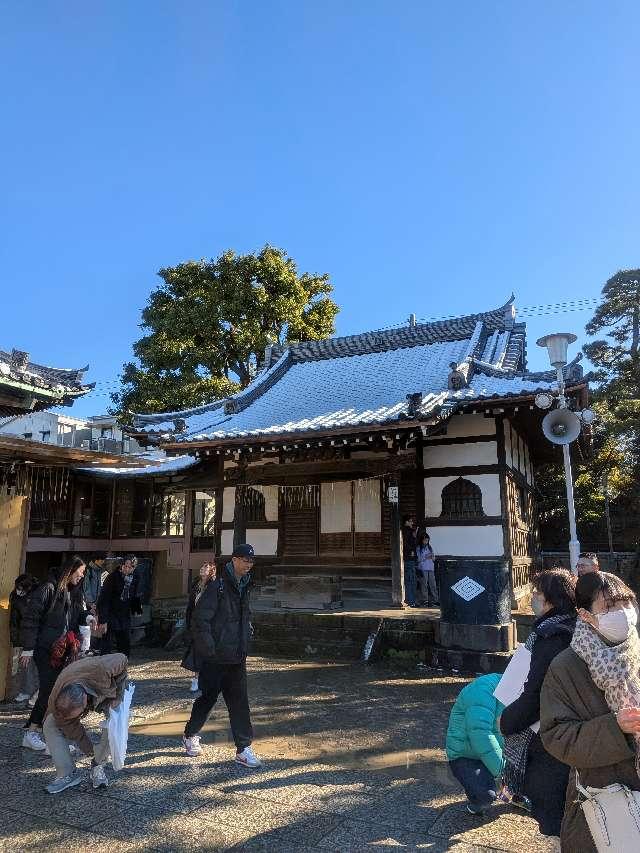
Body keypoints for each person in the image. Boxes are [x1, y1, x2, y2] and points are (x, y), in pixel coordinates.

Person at [540, 571, 640, 852]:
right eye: (609, 607)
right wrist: (615, 728)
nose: (624, 613)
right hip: (602, 802)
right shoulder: (566, 667)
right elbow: (556, 735)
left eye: (627, 603)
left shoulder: (638, 649)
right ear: (585, 615)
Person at [499, 568, 577, 839]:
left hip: (550, 734)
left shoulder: (552, 635)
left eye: (537, 592)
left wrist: (508, 721)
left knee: (552, 810)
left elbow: (536, 693)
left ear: (551, 600)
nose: (532, 597)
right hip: (573, 727)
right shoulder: (575, 626)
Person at [182, 543, 261, 768]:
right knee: (207, 699)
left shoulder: (245, 584)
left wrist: (247, 636)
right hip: (215, 656)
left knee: (239, 703)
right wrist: (210, 648)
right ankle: (190, 734)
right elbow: (201, 619)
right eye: (245, 560)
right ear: (234, 559)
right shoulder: (218, 583)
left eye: (251, 561)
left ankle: (243, 748)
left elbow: (245, 617)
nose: (249, 564)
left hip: (236, 654)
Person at [19, 557, 87, 751]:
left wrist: (88, 617)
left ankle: (50, 736)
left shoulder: (71, 591)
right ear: (71, 570)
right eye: (80, 571)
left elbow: (75, 615)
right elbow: (31, 619)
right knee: (49, 692)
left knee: (56, 693)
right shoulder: (48, 588)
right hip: (45, 649)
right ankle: (33, 733)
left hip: (61, 650)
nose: (82, 576)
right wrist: (28, 649)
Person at [43, 653, 129, 794]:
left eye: (77, 714)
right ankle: (67, 773)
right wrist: (89, 749)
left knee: (114, 724)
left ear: (84, 700)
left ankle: (97, 766)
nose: (73, 719)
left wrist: (118, 695)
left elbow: (123, 658)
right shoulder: (56, 702)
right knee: (49, 724)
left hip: (107, 692)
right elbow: (74, 730)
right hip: (81, 690)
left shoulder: (103, 668)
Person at [446, 673, 505, 815]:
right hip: (465, 755)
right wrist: (504, 773)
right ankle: (477, 800)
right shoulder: (484, 689)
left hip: (498, 752)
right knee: (485, 796)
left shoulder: (524, 692)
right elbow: (480, 733)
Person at [97, 554, 142, 657]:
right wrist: (103, 620)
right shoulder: (113, 577)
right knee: (107, 644)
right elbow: (104, 598)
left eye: (130, 567)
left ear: (134, 568)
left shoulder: (136, 577)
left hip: (124, 613)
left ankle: (123, 665)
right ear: (122, 565)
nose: (126, 569)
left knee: (125, 643)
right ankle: (105, 667)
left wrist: (136, 609)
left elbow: (136, 594)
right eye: (125, 566)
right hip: (111, 612)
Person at [181, 561, 217, 692]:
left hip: (208, 625)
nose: (202, 569)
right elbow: (191, 606)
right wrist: (189, 622)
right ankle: (196, 679)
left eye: (206, 567)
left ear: (212, 570)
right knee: (196, 652)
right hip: (195, 624)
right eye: (202, 567)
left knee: (207, 652)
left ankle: (207, 679)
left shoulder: (213, 586)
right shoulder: (196, 585)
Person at [9, 574, 40, 704]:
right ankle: (26, 691)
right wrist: (15, 640)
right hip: (22, 635)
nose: (18, 590)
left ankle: (34, 692)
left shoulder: (36, 597)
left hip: (34, 636)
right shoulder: (16, 597)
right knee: (23, 666)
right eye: (18, 587)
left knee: (32, 666)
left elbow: (34, 621)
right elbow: (14, 620)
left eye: (21, 587)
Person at [416, 531, 438, 606]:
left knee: (433, 584)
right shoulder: (419, 548)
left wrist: (432, 557)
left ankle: (435, 599)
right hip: (423, 568)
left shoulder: (430, 547)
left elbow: (434, 559)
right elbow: (418, 559)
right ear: (422, 540)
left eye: (427, 540)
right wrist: (426, 557)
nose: (426, 541)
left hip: (431, 568)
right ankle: (425, 600)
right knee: (424, 584)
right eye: (425, 540)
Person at [402, 514, 418, 607]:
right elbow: (405, 544)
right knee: (410, 579)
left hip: (410, 557)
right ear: (406, 522)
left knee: (411, 580)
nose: (412, 522)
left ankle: (411, 600)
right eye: (411, 521)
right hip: (408, 557)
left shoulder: (409, 531)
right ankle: (410, 601)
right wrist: (411, 551)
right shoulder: (407, 531)